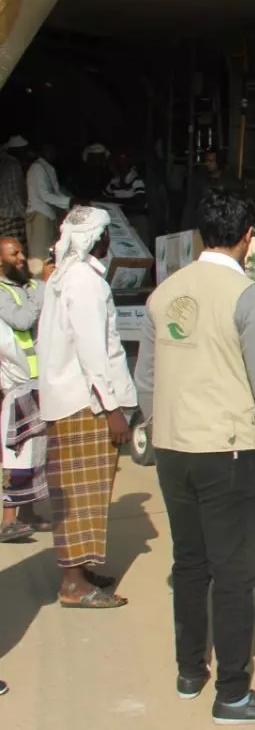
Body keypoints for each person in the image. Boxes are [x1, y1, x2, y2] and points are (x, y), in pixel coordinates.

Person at [134, 187, 255, 724]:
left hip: (173, 448)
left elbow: (146, 379)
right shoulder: (247, 295)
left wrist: (159, 427)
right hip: (227, 450)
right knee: (235, 573)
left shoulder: (164, 294)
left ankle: (190, 671)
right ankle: (233, 694)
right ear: (248, 237)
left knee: (189, 562)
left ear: (201, 235)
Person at [36, 205, 136, 608]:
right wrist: (111, 408)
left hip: (72, 400)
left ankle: (79, 570)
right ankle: (73, 585)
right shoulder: (84, 280)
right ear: (99, 239)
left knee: (81, 493)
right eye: (108, 234)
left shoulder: (64, 277)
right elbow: (92, 348)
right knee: (83, 494)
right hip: (85, 404)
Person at [0, 238, 49, 543]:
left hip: (33, 381)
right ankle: (8, 520)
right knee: (17, 452)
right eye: (14, 254)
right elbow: (22, 320)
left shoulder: (22, 287)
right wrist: (41, 285)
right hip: (17, 384)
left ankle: (28, 514)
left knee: (35, 449)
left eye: (21, 252)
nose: (21, 258)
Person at [25, 142, 72, 275]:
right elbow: (45, 195)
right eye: (48, 150)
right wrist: (70, 201)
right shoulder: (37, 168)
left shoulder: (48, 168)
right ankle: (36, 287)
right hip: (39, 214)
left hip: (48, 216)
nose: (52, 153)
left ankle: (45, 285)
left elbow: (56, 192)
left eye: (53, 150)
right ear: (41, 151)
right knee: (38, 256)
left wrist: (70, 204)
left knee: (48, 254)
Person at [0, 137, 28, 244]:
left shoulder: (3, 163)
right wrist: (26, 216)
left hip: (3, 215)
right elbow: (14, 195)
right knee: (16, 251)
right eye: (24, 150)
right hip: (11, 218)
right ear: (17, 150)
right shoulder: (13, 165)